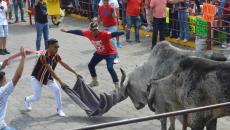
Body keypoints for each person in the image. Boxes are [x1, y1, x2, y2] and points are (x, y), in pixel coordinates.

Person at [24, 39, 80, 117]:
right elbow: (50, 70)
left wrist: (75, 73)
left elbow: (64, 64)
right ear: (50, 47)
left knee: (57, 90)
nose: (57, 49)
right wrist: (60, 81)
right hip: (37, 78)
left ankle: (59, 110)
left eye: (58, 47)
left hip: (48, 78)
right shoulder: (44, 56)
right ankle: (27, 100)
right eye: (55, 47)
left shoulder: (56, 55)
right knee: (37, 97)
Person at [61, 22, 124, 88]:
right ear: (90, 30)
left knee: (110, 67)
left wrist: (123, 32)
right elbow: (79, 32)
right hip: (100, 53)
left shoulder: (104, 34)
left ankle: (117, 85)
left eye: (95, 30)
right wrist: (67, 31)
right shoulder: (88, 33)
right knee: (91, 65)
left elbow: (114, 34)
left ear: (97, 29)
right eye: (93, 30)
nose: (94, 32)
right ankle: (95, 82)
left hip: (110, 53)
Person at [0, 47, 26, 130]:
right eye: (5, 79)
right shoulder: (3, 91)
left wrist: (2, 67)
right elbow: (17, 76)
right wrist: (23, 57)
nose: (6, 80)